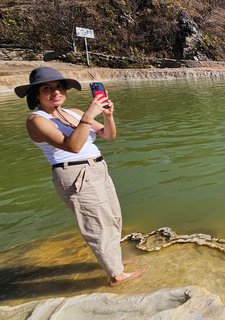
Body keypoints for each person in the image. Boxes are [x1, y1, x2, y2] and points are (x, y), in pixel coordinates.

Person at [14, 67, 146, 286]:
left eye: (59, 87)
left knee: (113, 218)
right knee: (96, 223)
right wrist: (88, 115)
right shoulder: (36, 120)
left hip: (98, 168)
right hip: (74, 173)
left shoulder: (72, 112)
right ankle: (116, 276)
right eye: (47, 88)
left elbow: (108, 134)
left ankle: (114, 262)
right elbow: (72, 146)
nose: (55, 92)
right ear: (36, 94)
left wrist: (107, 115)